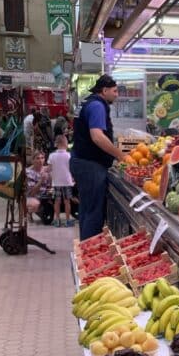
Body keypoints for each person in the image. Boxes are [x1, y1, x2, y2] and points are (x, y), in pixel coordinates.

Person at [70, 74, 127, 240]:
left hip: (82, 161)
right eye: (115, 91)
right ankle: (89, 253)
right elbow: (97, 136)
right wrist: (120, 155)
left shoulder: (88, 102)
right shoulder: (97, 106)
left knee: (87, 209)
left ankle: (85, 250)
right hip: (91, 165)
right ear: (105, 90)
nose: (117, 95)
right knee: (94, 212)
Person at [48, 134, 75, 227]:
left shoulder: (52, 156)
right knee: (67, 201)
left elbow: (49, 169)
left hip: (56, 182)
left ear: (56, 144)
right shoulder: (69, 155)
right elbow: (72, 168)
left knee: (57, 201)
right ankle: (67, 220)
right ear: (65, 143)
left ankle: (57, 220)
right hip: (67, 181)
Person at [25, 151, 50, 222]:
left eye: (42, 158)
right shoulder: (28, 172)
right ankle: (29, 212)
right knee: (35, 204)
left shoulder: (47, 169)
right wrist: (41, 181)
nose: (40, 160)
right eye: (38, 158)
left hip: (46, 195)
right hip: (33, 196)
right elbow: (31, 193)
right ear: (33, 160)